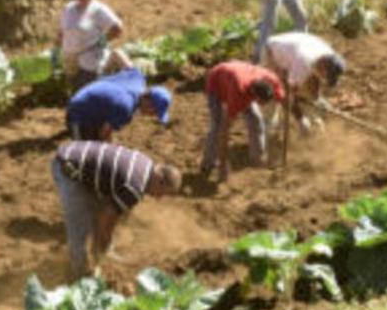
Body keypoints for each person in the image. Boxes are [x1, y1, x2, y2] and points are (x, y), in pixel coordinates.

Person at [52, 141, 182, 279]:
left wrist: (103, 242)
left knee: (97, 213)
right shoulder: (135, 188)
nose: (159, 198)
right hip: (67, 168)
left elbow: (107, 208)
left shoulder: (146, 162)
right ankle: (80, 274)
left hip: (73, 151)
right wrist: (104, 241)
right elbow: (105, 218)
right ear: (160, 181)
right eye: (163, 193)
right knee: (80, 227)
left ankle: (102, 253)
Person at [200, 61, 286, 181]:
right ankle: (208, 163)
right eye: (262, 103)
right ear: (255, 96)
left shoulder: (271, 79)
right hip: (216, 81)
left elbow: (285, 101)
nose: (264, 105)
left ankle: (258, 159)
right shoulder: (239, 94)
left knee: (256, 120)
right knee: (217, 126)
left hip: (235, 73)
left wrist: (301, 119)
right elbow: (226, 129)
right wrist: (223, 164)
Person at [261, 32, 346, 134]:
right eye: (326, 75)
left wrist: (315, 98)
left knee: (308, 95)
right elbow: (287, 96)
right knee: (273, 94)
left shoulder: (329, 56)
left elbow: (316, 80)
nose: (325, 78)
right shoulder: (303, 63)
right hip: (272, 53)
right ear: (323, 65)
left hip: (293, 54)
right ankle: (267, 132)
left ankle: (313, 125)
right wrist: (300, 118)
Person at [55, 0, 127, 90]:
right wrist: (56, 49)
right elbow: (62, 30)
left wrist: (102, 41)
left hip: (90, 58)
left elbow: (117, 28)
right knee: (73, 89)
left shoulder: (98, 9)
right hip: (70, 58)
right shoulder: (69, 8)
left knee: (86, 88)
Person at [66, 64, 172, 141]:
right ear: (149, 102)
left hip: (88, 95)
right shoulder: (126, 108)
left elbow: (122, 58)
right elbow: (105, 133)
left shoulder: (138, 77)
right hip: (79, 112)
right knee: (84, 153)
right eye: (153, 112)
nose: (151, 116)